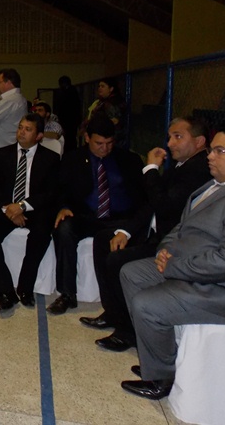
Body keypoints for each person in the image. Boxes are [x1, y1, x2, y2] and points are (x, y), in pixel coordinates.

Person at [120, 123, 225, 400]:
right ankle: (159, 356)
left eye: (220, 151)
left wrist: (174, 266)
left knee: (147, 304)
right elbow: (182, 226)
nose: (210, 156)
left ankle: (162, 377)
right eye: (211, 150)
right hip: (193, 268)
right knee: (132, 273)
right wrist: (164, 250)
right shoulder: (219, 185)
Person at [83, 117, 211, 352]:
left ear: (199, 141)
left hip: (170, 242)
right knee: (104, 239)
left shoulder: (199, 168)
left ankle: (127, 332)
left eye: (178, 137)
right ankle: (113, 312)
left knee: (117, 260)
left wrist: (151, 169)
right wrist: (125, 231)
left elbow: (163, 205)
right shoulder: (183, 165)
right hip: (153, 230)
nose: (170, 143)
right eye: (170, 137)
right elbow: (149, 204)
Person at [47, 115, 145, 315]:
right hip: (86, 216)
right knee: (64, 228)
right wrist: (63, 206)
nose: (105, 148)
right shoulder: (72, 159)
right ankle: (67, 294)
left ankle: (123, 297)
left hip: (119, 218)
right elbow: (60, 189)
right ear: (87, 138)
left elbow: (141, 197)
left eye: (109, 143)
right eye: (99, 143)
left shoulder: (129, 160)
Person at [0, 113, 61, 314]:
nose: (21, 132)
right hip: (7, 208)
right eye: (20, 127)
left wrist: (23, 206)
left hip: (35, 209)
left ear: (39, 135)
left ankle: (26, 287)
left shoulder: (50, 158)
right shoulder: (3, 153)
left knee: (41, 233)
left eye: (28, 129)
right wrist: (10, 209)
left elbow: (51, 193)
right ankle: (5, 291)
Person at [54, 76, 81, 152]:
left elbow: (61, 107)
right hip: (72, 120)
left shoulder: (65, 93)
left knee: (68, 139)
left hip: (67, 120)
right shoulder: (73, 92)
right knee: (71, 139)